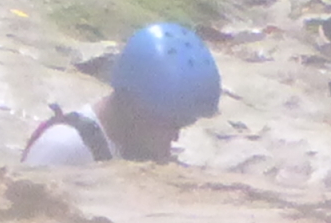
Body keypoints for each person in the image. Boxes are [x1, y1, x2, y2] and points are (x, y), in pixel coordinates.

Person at [21, 22, 221, 165]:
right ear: (133, 105)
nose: (174, 138)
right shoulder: (64, 148)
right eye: (169, 125)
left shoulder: (130, 145)